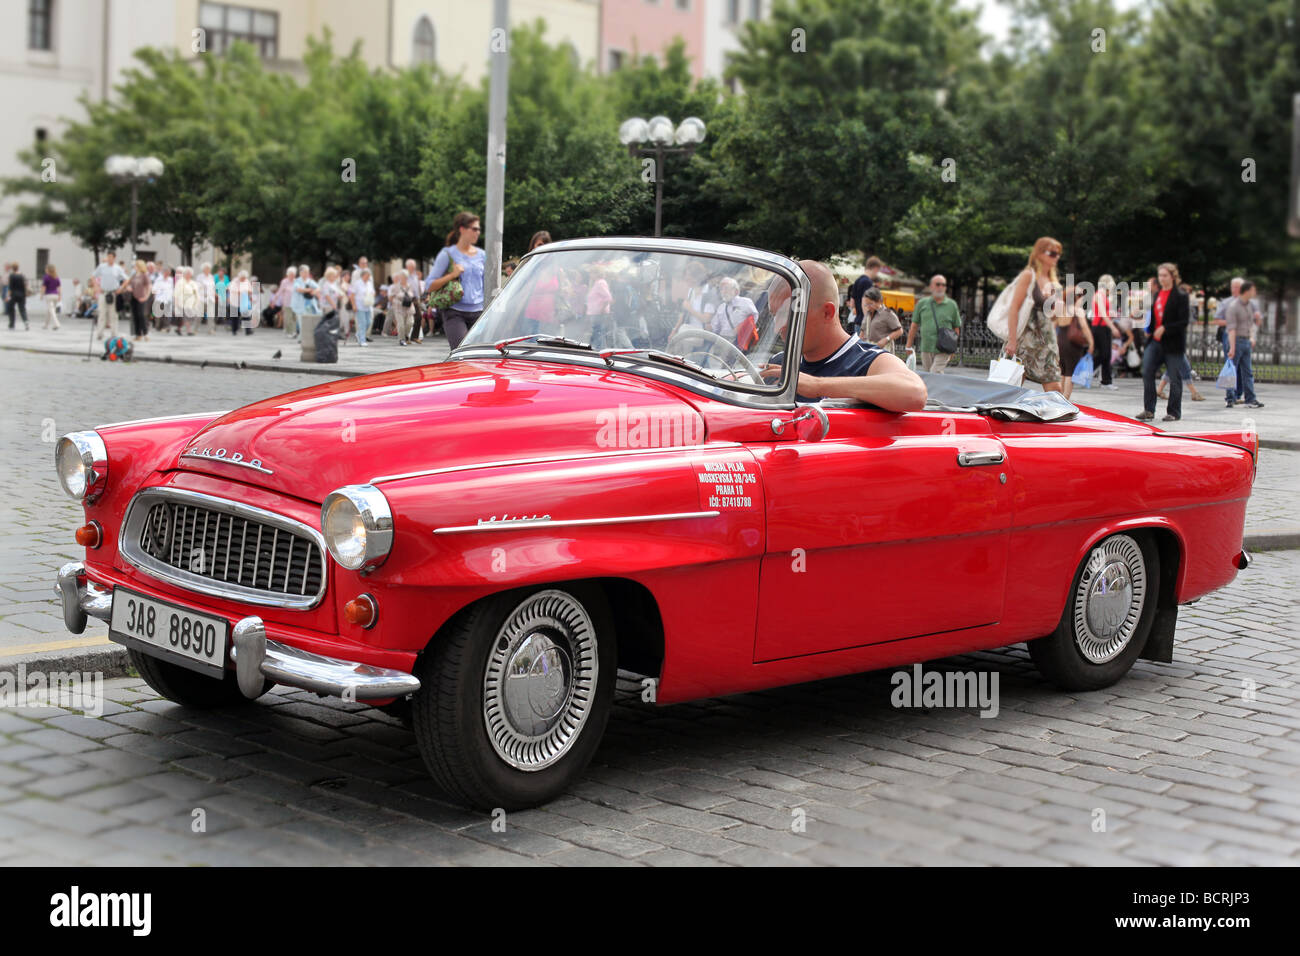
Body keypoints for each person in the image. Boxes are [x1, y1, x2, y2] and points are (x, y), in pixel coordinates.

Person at [761, 260, 926, 411]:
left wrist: (817, 385)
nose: (777, 328)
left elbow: (914, 392)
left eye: (789, 316)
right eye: (774, 315)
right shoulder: (780, 362)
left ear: (827, 312)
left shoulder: (865, 361)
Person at [1003, 237, 1064, 392]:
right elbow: (1014, 308)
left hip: (1045, 341)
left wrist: (1058, 309)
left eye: (1058, 254)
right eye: (1052, 253)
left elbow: (1052, 317)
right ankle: (1002, 414)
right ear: (1040, 254)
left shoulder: (1053, 280)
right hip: (1025, 339)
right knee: (1010, 386)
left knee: (1055, 388)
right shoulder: (1028, 276)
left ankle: (1055, 416)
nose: (1056, 257)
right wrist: (1011, 341)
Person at [1137, 262, 1191, 422]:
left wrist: (1165, 328)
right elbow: (1154, 317)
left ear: (1173, 277)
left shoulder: (1181, 296)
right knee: (1147, 371)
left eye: (1165, 275)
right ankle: (1149, 409)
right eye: (1160, 275)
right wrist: (1150, 330)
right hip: (1155, 341)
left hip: (1173, 343)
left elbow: (1183, 321)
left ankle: (1173, 412)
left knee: (1174, 377)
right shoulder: (1157, 294)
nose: (1161, 279)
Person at [428, 211, 486, 350]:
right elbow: (429, 285)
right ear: (462, 229)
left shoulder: (482, 255)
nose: (478, 232)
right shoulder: (447, 254)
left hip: (478, 313)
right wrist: (452, 275)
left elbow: (486, 284)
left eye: (479, 229)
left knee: (479, 356)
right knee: (461, 354)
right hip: (454, 312)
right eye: (474, 229)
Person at [905, 274, 962, 373]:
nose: (941, 287)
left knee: (935, 372)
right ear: (931, 286)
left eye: (943, 285)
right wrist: (908, 345)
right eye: (938, 284)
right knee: (929, 375)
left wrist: (953, 348)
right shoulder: (922, 303)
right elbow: (914, 326)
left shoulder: (951, 305)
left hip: (944, 348)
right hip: (926, 347)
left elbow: (956, 328)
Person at [1224, 280, 1263, 408]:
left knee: (1248, 372)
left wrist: (1252, 337)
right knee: (1231, 371)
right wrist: (1232, 347)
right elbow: (1231, 329)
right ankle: (1230, 398)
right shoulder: (1233, 306)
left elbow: (1251, 324)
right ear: (1247, 291)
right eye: (1253, 290)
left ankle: (1250, 399)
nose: (1255, 292)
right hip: (1236, 341)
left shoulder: (1249, 305)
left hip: (1246, 341)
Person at [1056, 284, 1094, 399]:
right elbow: (1084, 328)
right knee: (1070, 372)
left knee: (1063, 370)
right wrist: (1091, 343)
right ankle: (1065, 399)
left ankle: (1059, 397)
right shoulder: (1078, 311)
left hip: (1060, 341)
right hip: (1072, 344)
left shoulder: (1060, 309)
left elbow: (1053, 325)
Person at [710, 276, 758, 350]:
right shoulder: (721, 307)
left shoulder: (745, 302)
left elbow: (754, 317)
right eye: (721, 289)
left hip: (739, 339)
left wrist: (743, 328)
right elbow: (715, 327)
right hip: (723, 340)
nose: (723, 292)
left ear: (736, 291)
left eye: (726, 288)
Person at [1090, 274, 1120, 389]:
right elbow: (1102, 314)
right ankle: (1105, 381)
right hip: (1099, 327)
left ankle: (1105, 381)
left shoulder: (1104, 296)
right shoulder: (1099, 295)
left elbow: (1106, 313)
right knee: (1104, 354)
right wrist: (1113, 327)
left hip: (1103, 327)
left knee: (1105, 354)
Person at [92, 252, 127, 339]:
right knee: (102, 313)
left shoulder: (117, 268)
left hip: (113, 293)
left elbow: (126, 279)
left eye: (111, 257)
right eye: (108, 257)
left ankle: (114, 334)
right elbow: (93, 276)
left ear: (114, 258)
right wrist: (96, 286)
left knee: (113, 315)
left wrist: (121, 288)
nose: (109, 259)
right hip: (103, 293)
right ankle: (100, 333)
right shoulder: (102, 267)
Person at [847, 255, 883, 334]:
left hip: (857, 322)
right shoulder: (868, 283)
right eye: (878, 271)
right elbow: (866, 304)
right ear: (875, 268)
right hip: (864, 324)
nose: (877, 274)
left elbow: (852, 304)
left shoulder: (857, 281)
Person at [860, 287, 902, 352]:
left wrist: (886, 339)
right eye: (866, 304)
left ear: (879, 301)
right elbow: (862, 331)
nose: (868, 306)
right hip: (869, 349)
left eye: (870, 304)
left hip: (883, 350)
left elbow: (899, 331)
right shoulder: (868, 314)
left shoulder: (887, 314)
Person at [350, 267, 375, 347]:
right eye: (368, 275)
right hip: (359, 306)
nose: (369, 277)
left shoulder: (369, 283)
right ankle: (362, 341)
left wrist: (372, 295)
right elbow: (352, 295)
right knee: (362, 323)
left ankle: (358, 334)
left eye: (369, 276)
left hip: (368, 306)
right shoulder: (357, 283)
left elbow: (373, 292)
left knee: (368, 322)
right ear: (363, 275)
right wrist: (354, 305)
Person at [128, 259, 151, 340]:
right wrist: (129, 287)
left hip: (141, 297)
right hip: (133, 297)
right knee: (135, 316)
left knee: (141, 315)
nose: (134, 267)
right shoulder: (134, 275)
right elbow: (130, 284)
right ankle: (138, 334)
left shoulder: (144, 275)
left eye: (136, 266)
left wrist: (146, 296)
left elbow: (148, 286)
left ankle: (145, 333)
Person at [389, 272, 414, 346]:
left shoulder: (410, 286)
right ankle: (401, 339)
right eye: (402, 277)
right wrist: (394, 303)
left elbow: (413, 295)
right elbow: (390, 297)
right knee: (401, 324)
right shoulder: (395, 286)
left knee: (410, 323)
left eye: (405, 277)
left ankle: (406, 335)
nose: (403, 279)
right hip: (399, 308)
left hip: (409, 307)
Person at [175, 266, 201, 334]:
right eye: (187, 273)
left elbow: (196, 293)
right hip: (182, 302)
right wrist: (176, 302)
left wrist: (197, 301)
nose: (188, 275)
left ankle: (179, 328)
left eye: (189, 274)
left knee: (191, 317)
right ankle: (189, 331)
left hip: (191, 303)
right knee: (186, 317)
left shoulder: (193, 283)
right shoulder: (180, 282)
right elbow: (176, 293)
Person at [273, 266, 297, 336]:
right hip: (287, 303)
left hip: (295, 303)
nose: (292, 276)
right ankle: (289, 332)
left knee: (294, 318)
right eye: (290, 274)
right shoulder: (284, 282)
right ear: (287, 274)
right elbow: (280, 291)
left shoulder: (297, 282)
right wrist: (274, 300)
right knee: (287, 318)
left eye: (293, 274)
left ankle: (294, 331)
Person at [41, 264, 61, 330]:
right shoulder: (56, 277)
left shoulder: (46, 277)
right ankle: (45, 325)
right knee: (50, 310)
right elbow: (59, 287)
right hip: (55, 295)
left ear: (48, 270)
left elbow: (44, 287)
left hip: (49, 295)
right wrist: (60, 295)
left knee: (52, 310)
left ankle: (56, 324)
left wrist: (41, 294)